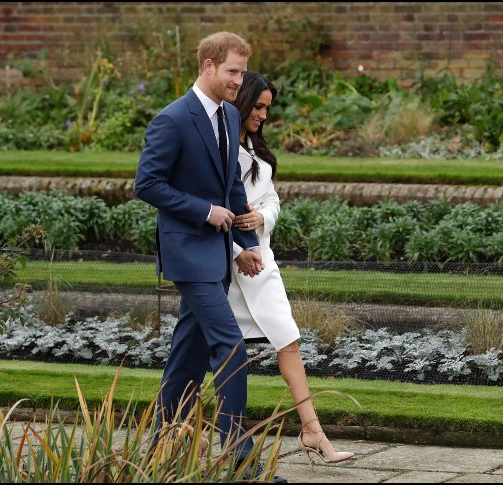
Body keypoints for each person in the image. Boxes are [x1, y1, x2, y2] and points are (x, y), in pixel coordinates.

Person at [135, 32, 286, 483]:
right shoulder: (173, 119)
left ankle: (161, 453)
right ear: (207, 66)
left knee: (186, 359)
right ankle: (240, 463)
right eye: (232, 72)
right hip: (188, 255)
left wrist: (245, 247)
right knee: (231, 348)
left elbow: (233, 189)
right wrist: (205, 212)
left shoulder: (224, 117)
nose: (239, 81)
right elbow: (148, 184)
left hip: (218, 257)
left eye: (242, 72)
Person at [228, 71, 355, 467]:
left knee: (289, 339)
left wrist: (261, 218)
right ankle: (188, 432)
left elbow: (271, 199)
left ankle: (312, 430)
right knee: (216, 354)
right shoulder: (221, 145)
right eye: (260, 106)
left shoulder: (255, 148)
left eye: (268, 107)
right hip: (227, 269)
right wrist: (236, 248)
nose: (264, 114)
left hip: (262, 264)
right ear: (243, 101)